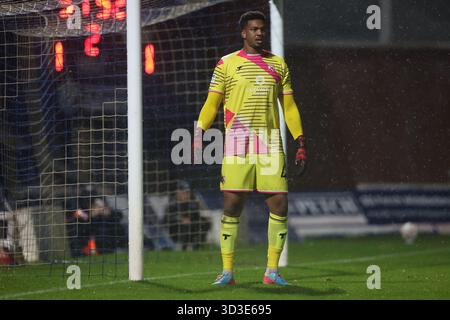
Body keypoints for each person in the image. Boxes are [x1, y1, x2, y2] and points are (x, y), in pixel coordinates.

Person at [194, 11, 307, 285]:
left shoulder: (278, 65)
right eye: (254, 29)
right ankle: (228, 271)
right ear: (243, 33)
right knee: (232, 204)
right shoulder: (226, 64)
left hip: (269, 143)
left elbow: (289, 107)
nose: (259, 33)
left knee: (279, 203)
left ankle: (271, 271)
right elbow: (212, 103)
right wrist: (199, 131)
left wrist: (300, 140)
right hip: (237, 142)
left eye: (262, 29)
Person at [163, 180, 211, 250]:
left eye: (187, 192)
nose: (186, 194)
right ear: (178, 192)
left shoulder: (193, 200)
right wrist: (180, 219)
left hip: (191, 226)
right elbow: (166, 218)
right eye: (183, 192)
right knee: (185, 225)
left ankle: (197, 245)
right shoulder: (172, 202)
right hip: (176, 229)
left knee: (204, 222)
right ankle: (183, 247)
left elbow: (198, 213)